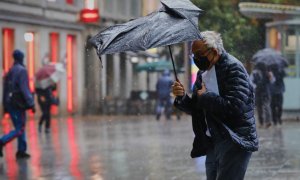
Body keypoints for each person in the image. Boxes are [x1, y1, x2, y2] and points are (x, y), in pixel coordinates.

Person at [172, 31, 258, 179]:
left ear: (214, 51)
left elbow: (234, 107)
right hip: (212, 140)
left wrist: (206, 96)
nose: (196, 59)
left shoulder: (233, 69)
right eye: (193, 56)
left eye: (199, 54)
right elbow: (197, 107)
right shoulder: (202, 73)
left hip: (234, 138)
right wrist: (181, 97)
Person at [1, 49, 35, 159]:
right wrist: (31, 103)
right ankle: (2, 141)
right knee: (20, 128)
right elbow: (24, 88)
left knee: (19, 126)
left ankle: (21, 150)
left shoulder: (10, 71)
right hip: (18, 104)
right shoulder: (22, 71)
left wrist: (5, 106)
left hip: (10, 103)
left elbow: (5, 90)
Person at [250, 63, 274, 128]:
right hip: (261, 92)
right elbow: (251, 82)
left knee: (263, 107)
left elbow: (251, 82)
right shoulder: (256, 73)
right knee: (262, 107)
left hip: (262, 92)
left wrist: (270, 77)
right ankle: (264, 122)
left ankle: (266, 122)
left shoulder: (267, 73)